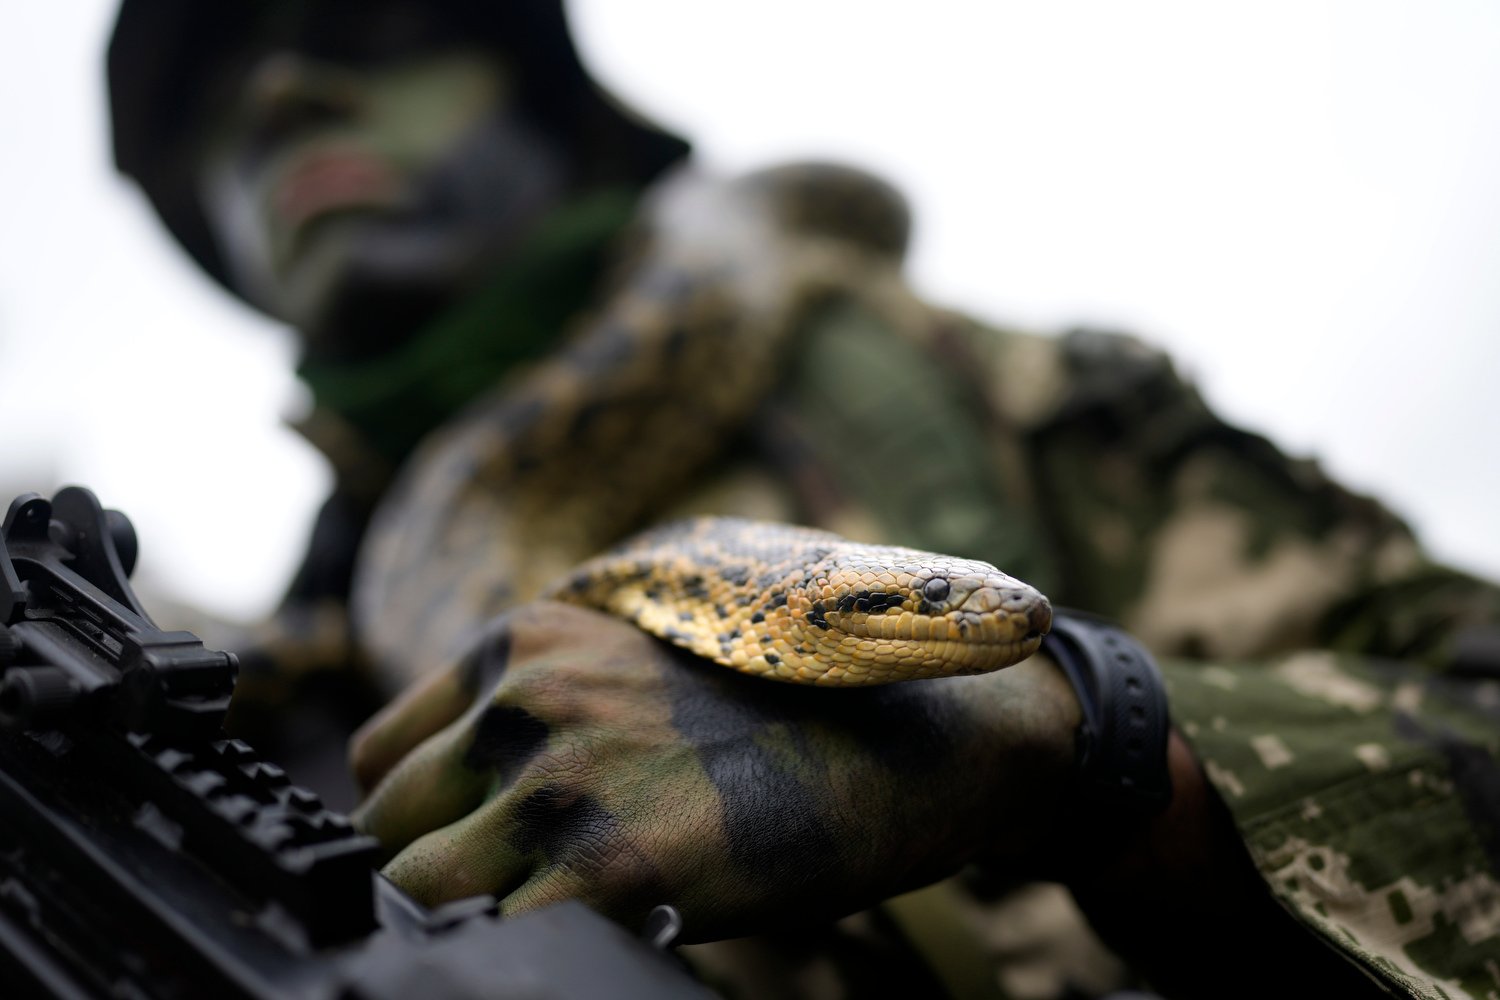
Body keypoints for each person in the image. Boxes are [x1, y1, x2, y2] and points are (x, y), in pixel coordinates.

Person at [106, 2, 1500, 997]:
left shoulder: (951, 380)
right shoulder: (206, 696)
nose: (282, 99)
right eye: (215, 120)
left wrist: (1099, 747)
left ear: (544, 93)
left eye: (367, 32)